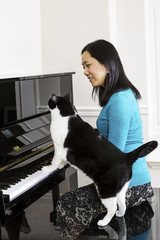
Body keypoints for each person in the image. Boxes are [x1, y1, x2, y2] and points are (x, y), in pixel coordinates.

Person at [55, 39, 154, 239]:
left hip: (130, 185)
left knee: (65, 203)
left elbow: (111, 158)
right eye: (83, 66)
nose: (84, 71)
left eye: (88, 64)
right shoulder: (119, 96)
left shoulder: (120, 100)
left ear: (107, 65)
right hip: (124, 178)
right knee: (69, 204)